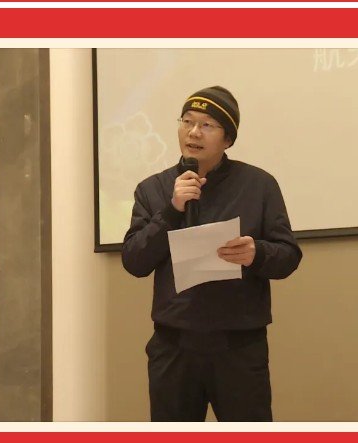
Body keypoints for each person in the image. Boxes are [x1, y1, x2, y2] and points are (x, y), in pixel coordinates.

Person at [121, 86, 302, 422]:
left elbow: (289, 256)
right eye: (187, 121)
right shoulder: (154, 189)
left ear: (228, 138)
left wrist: (256, 253)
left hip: (239, 348)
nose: (193, 132)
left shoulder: (259, 185)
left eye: (207, 125)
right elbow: (134, 261)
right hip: (174, 347)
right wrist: (172, 210)